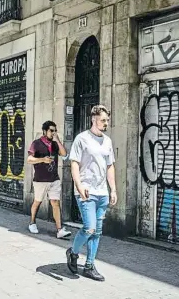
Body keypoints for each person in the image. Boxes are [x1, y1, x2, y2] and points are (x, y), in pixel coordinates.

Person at [66, 105, 117, 282]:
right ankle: (73, 253)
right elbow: (74, 163)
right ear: (93, 119)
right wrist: (79, 186)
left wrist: (113, 190)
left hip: (102, 192)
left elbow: (110, 166)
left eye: (107, 120)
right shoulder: (82, 139)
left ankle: (89, 265)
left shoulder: (108, 141)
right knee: (89, 228)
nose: (106, 123)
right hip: (86, 191)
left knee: (97, 232)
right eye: (103, 120)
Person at [27, 121, 71, 239]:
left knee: (55, 203)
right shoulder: (36, 143)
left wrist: (57, 140)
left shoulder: (55, 144)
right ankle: (32, 222)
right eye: (51, 130)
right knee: (38, 202)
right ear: (45, 131)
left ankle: (59, 229)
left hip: (54, 179)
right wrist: (42, 160)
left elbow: (64, 154)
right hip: (40, 179)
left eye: (55, 130)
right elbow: (29, 159)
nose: (53, 133)